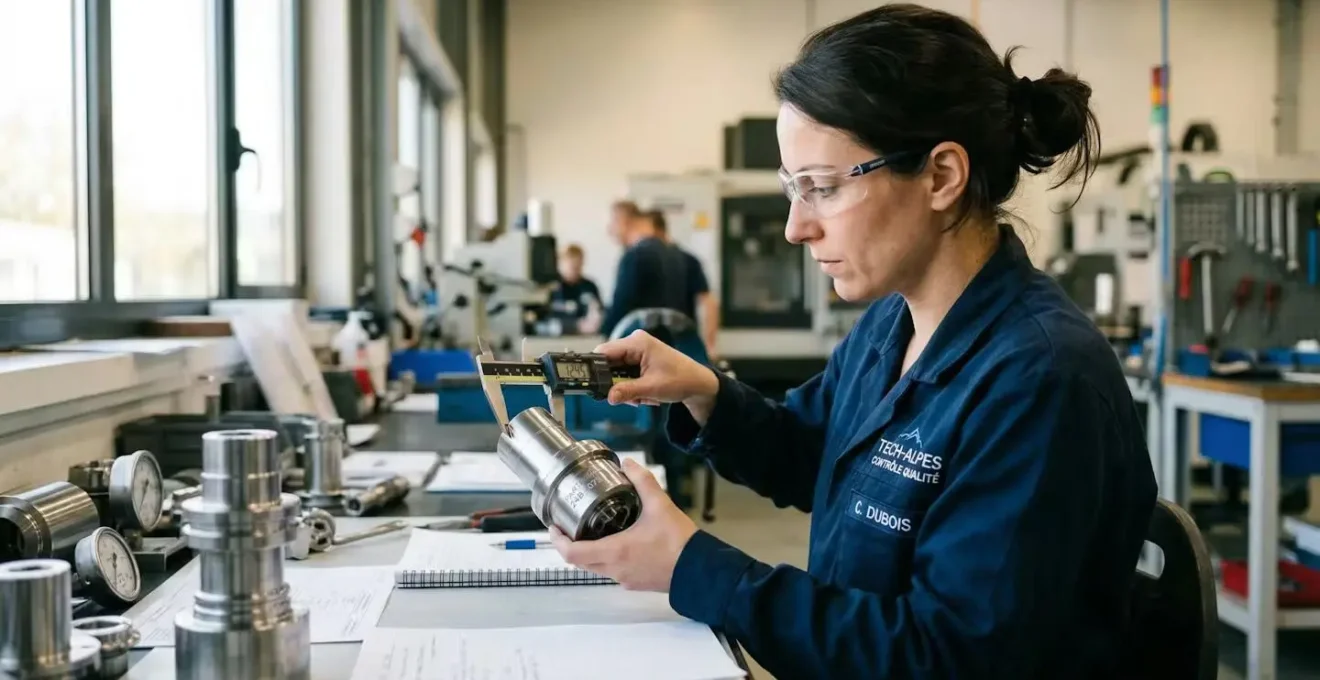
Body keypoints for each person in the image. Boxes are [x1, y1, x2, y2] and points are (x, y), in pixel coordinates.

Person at [547, 5, 1157, 679]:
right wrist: (705, 393)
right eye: (791, 189)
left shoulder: (1040, 383)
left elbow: (947, 658)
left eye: (821, 188)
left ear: (940, 177)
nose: (794, 228)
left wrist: (695, 569)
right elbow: (815, 452)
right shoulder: (893, 325)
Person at [599, 200, 689, 338]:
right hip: (672, 345)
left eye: (613, 223)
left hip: (642, 347)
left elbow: (620, 310)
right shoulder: (675, 254)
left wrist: (602, 330)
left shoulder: (634, 256)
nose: (610, 231)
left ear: (623, 222)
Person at [645, 210, 720, 360]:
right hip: (683, 345)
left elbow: (709, 303)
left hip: (657, 346)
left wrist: (709, 345)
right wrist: (709, 345)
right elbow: (709, 303)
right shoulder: (688, 259)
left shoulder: (642, 260)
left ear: (653, 229)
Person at [548, 244, 603, 334]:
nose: (575, 269)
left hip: (587, 337)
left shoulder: (589, 287)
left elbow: (599, 312)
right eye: (571, 266)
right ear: (561, 263)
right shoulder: (551, 287)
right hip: (557, 337)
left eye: (578, 266)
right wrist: (575, 325)